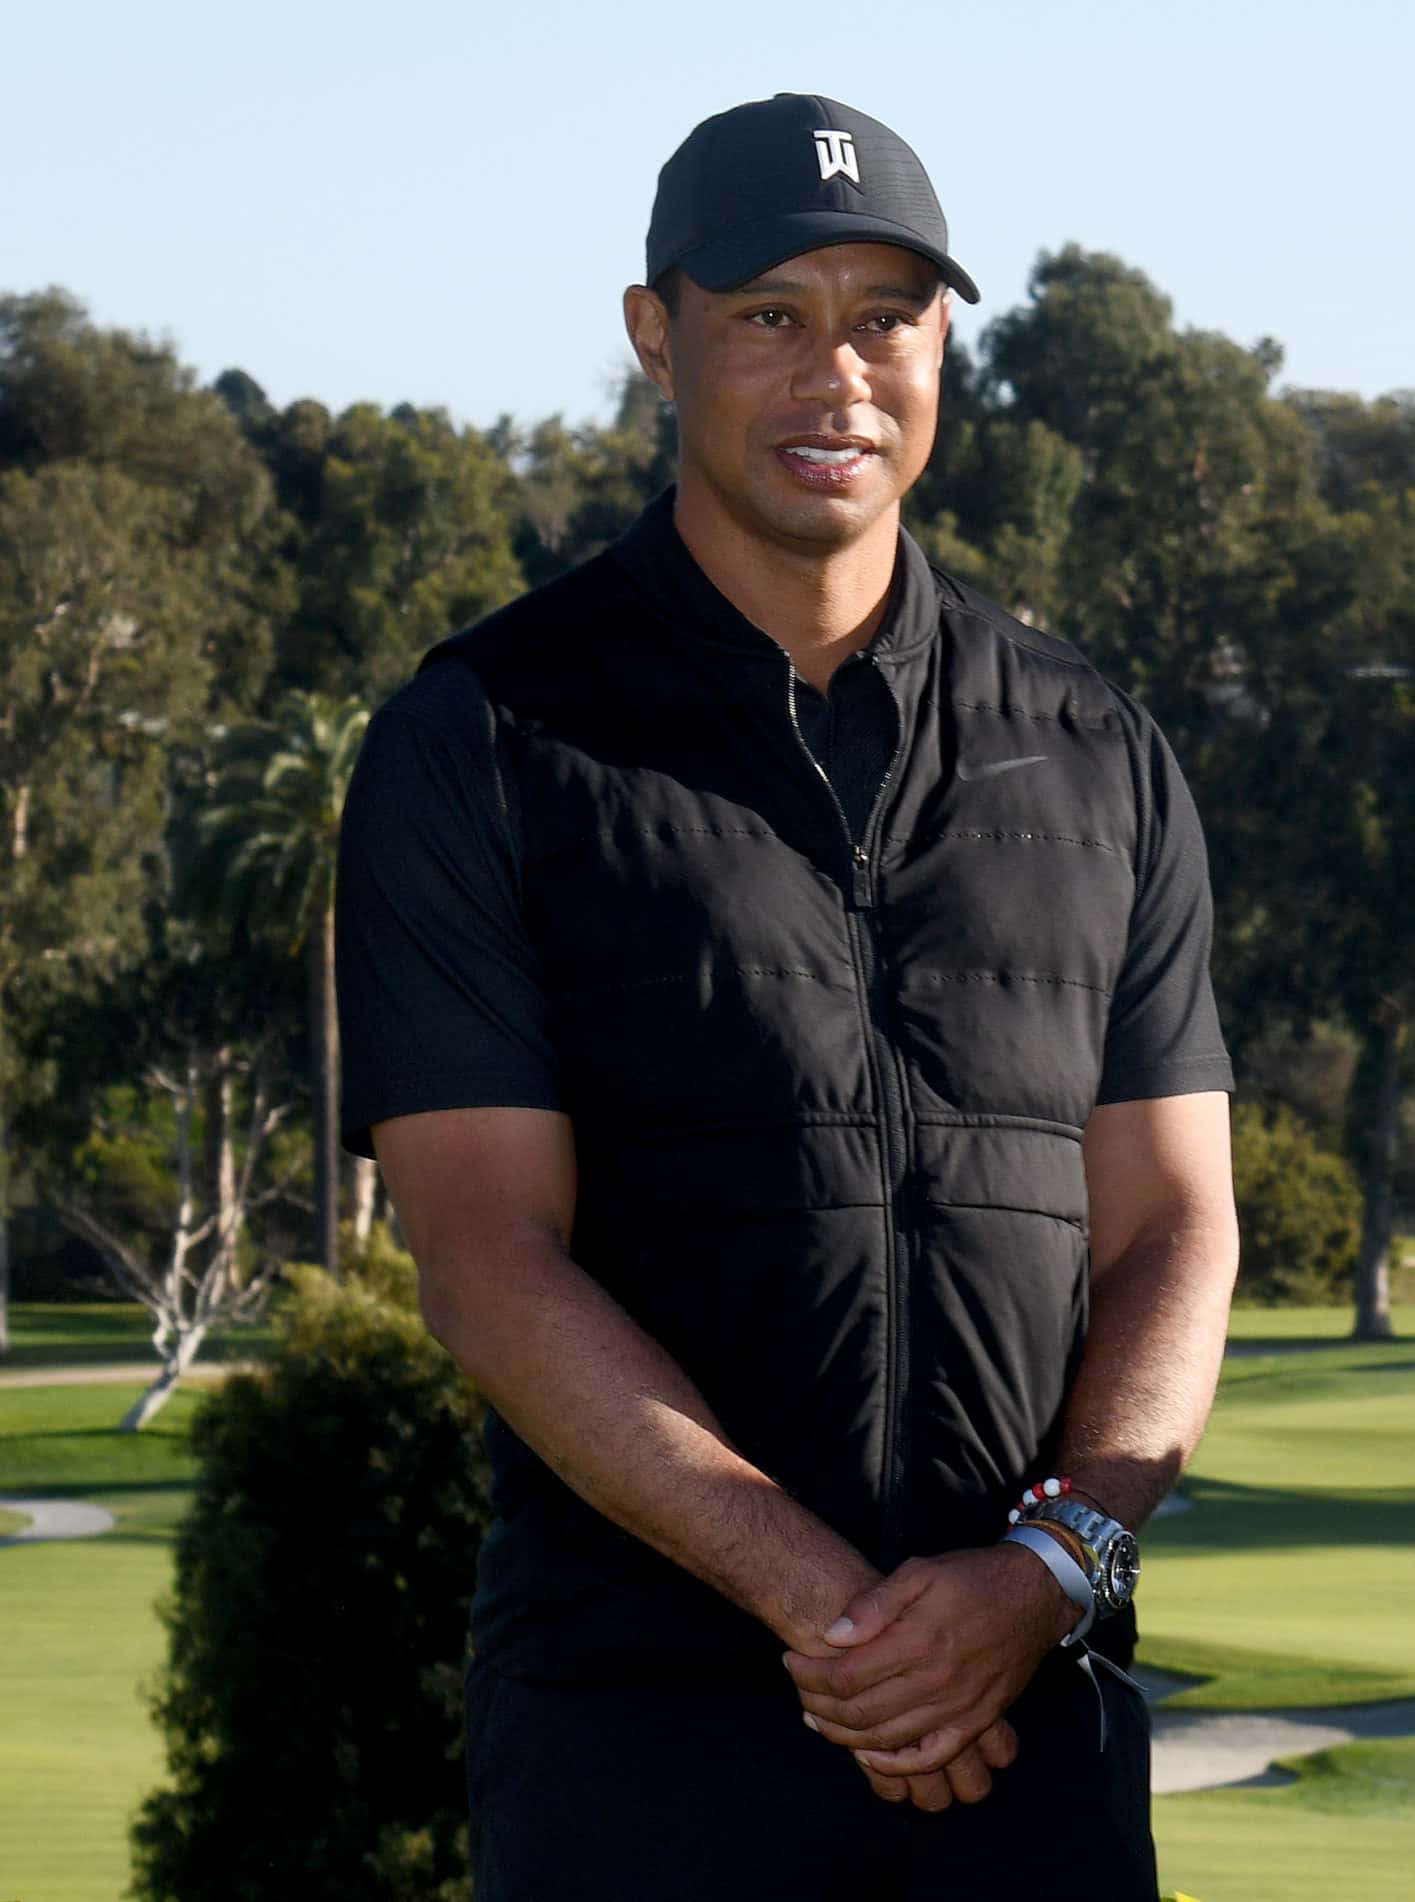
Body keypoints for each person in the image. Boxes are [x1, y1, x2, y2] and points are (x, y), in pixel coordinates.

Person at [335, 91, 1240, 1900]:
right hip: (638, 1760)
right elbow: (486, 1254)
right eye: (771, 315)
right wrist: (850, 1623)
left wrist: (1045, 1569)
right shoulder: (487, 738)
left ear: (944, 346)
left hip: (1033, 1737)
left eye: (886, 317)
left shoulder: (1097, 749)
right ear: (655, 337)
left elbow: (1176, 1222)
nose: (840, 371)